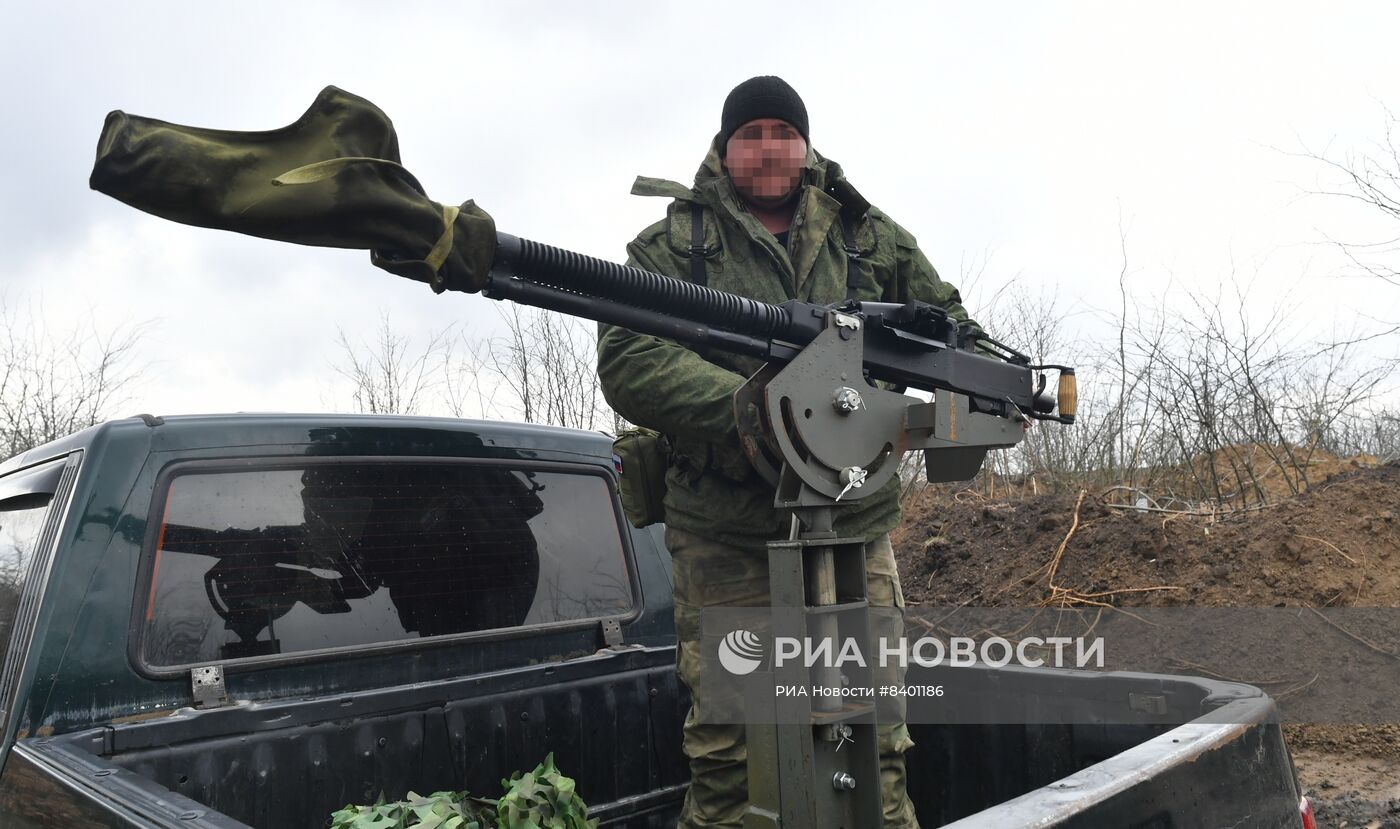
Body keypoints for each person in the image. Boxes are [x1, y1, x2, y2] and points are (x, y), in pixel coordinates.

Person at [597, 75, 979, 829]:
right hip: (731, 533)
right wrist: (746, 407)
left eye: (783, 131)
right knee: (736, 758)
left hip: (854, 521)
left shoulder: (868, 238)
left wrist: (972, 395)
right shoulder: (673, 247)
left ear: (804, 145)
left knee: (874, 739)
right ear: (724, 146)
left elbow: (947, 329)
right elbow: (631, 357)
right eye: (752, 133)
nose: (769, 147)